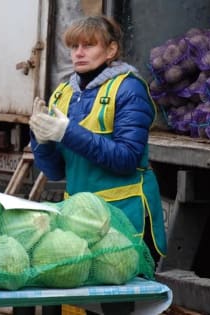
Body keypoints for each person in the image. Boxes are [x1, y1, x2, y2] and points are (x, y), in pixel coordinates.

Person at [29, 15, 167, 268]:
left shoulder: (129, 89)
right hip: (80, 220)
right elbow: (55, 171)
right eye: (74, 46)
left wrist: (66, 133)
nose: (79, 53)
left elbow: (126, 159)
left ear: (111, 50)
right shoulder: (63, 93)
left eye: (89, 45)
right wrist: (42, 142)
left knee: (119, 302)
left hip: (124, 219)